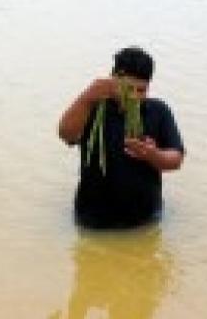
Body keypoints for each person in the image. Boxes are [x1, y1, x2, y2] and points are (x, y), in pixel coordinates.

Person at [57, 47, 185, 228]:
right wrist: (87, 97)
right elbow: (66, 134)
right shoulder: (91, 109)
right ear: (113, 80)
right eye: (128, 88)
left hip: (145, 219)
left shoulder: (159, 112)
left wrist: (153, 155)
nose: (134, 96)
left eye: (141, 90)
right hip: (92, 220)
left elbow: (176, 159)